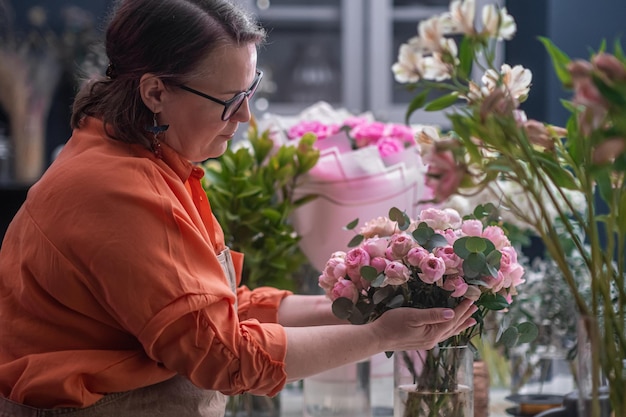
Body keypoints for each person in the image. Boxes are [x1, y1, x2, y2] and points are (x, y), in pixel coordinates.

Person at [0, 0, 478, 415]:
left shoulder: (141, 160)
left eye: (249, 91)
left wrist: (361, 306)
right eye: (229, 100)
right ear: (154, 93)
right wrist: (381, 337)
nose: (246, 116)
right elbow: (224, 355)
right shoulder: (119, 188)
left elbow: (219, 312)